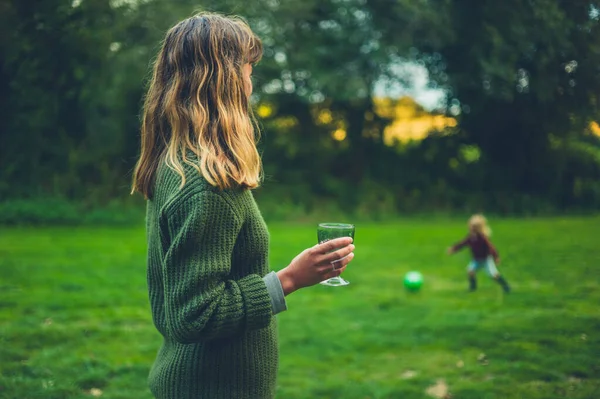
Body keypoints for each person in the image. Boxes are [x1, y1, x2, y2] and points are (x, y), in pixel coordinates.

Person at [130, 13, 355, 399]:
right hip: (212, 388)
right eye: (249, 72)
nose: (252, 85)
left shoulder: (176, 164)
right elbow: (195, 313)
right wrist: (291, 279)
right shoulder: (205, 184)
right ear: (227, 80)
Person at [447, 214, 510, 293]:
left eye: (473, 227)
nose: (470, 228)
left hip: (486, 259)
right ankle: (473, 287)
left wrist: (496, 257)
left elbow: (491, 247)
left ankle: (505, 286)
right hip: (476, 260)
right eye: (470, 226)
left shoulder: (483, 238)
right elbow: (462, 243)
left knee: (493, 275)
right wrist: (453, 249)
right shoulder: (471, 237)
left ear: (478, 228)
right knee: (470, 271)